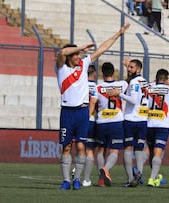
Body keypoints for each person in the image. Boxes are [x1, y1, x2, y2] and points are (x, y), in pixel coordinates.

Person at [55, 23, 130, 190]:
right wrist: (80, 47)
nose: (79, 56)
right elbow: (61, 53)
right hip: (67, 111)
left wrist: (118, 34)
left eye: (79, 54)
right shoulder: (61, 68)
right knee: (66, 146)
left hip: (82, 112)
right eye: (76, 54)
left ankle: (77, 179)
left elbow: (102, 49)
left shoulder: (83, 65)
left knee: (81, 146)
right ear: (71, 56)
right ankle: (66, 180)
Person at [107, 59, 149, 187]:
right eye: (128, 67)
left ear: (138, 69)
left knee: (127, 148)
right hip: (143, 119)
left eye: (131, 67)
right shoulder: (144, 82)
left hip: (131, 119)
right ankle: (139, 172)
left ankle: (131, 178)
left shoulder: (134, 82)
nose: (128, 69)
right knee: (139, 148)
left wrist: (119, 94)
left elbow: (133, 100)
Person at [146, 69, 169, 187]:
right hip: (162, 125)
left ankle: (155, 176)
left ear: (156, 79)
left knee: (151, 152)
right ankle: (151, 179)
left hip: (149, 124)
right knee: (158, 152)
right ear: (166, 79)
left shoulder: (149, 88)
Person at [96, 62, 128, 187]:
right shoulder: (121, 85)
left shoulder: (97, 87)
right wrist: (127, 66)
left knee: (101, 151)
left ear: (102, 73)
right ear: (114, 72)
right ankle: (106, 168)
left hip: (101, 122)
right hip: (116, 122)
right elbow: (129, 80)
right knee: (114, 151)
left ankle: (101, 180)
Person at [82, 64, 100, 187]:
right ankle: (86, 179)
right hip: (91, 120)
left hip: (78, 119)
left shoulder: (80, 85)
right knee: (89, 150)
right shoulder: (96, 87)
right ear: (93, 74)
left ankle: (76, 172)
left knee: (79, 148)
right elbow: (96, 103)